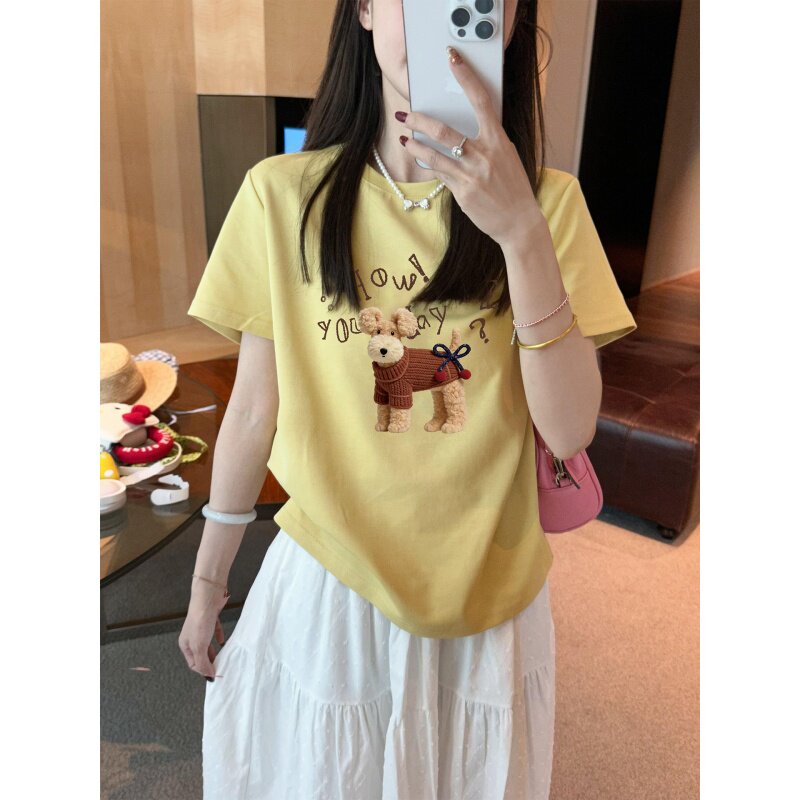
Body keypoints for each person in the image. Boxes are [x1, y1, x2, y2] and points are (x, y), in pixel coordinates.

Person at [179, 0, 637, 797]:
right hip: (332, 587)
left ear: (512, 21)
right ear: (362, 8)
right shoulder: (280, 196)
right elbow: (253, 408)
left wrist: (521, 233)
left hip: (489, 596)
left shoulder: (551, 207)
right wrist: (208, 582)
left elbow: (568, 432)